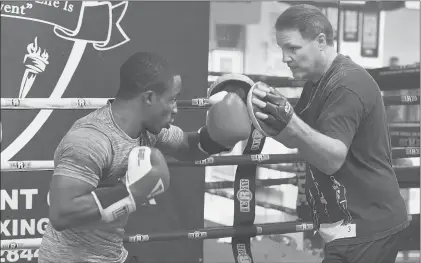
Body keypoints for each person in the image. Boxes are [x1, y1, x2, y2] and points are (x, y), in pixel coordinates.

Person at [38, 52, 252, 263]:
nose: (176, 109)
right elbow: (61, 213)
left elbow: (187, 146)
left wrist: (220, 138)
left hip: (112, 255)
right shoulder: (90, 140)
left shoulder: (148, 130)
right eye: (172, 100)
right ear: (149, 98)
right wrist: (130, 193)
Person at [247, 4, 409, 263]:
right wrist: (257, 115)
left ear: (320, 41)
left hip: (367, 229)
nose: (284, 57)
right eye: (282, 49)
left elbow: (332, 158)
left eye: (293, 48)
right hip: (350, 229)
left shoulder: (346, 85)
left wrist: (289, 118)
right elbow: (295, 137)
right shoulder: (316, 82)